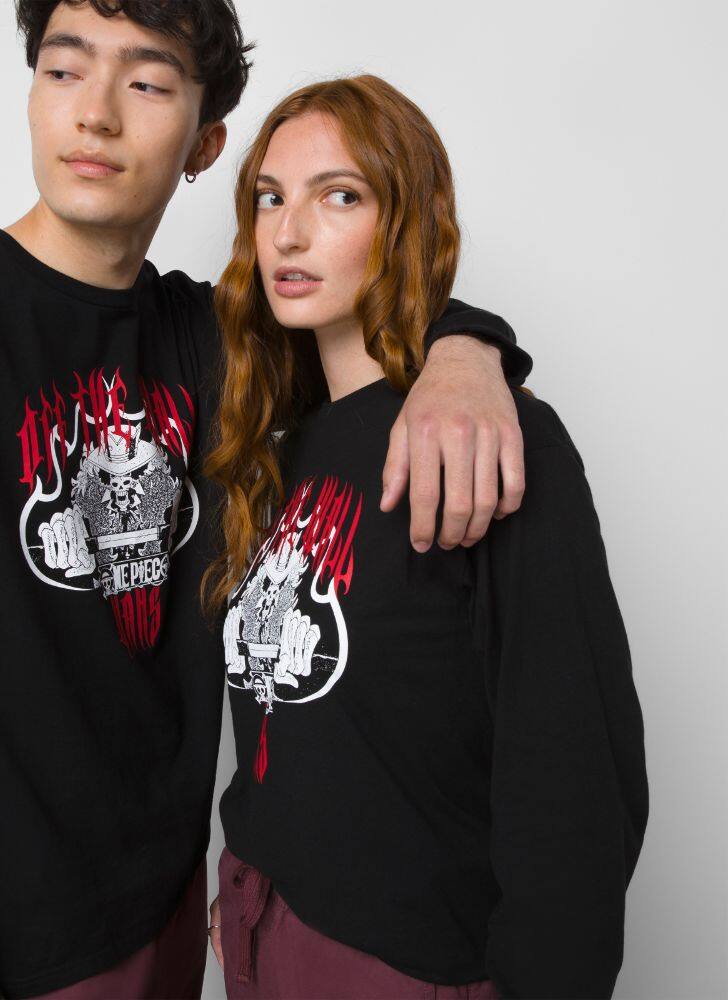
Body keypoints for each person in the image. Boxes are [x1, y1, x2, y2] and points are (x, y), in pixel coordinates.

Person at [0, 4, 533, 999]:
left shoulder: (214, 343)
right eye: (65, 71)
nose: (96, 113)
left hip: (180, 921)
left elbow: (367, 322)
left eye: (146, 82)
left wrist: (468, 350)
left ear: (204, 144)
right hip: (0, 951)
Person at [203, 75, 648, 999]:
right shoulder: (278, 443)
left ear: (404, 221)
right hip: (259, 924)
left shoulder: (491, 439)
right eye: (270, 198)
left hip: (405, 962)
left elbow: (574, 776)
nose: (288, 233)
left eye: (339, 196)